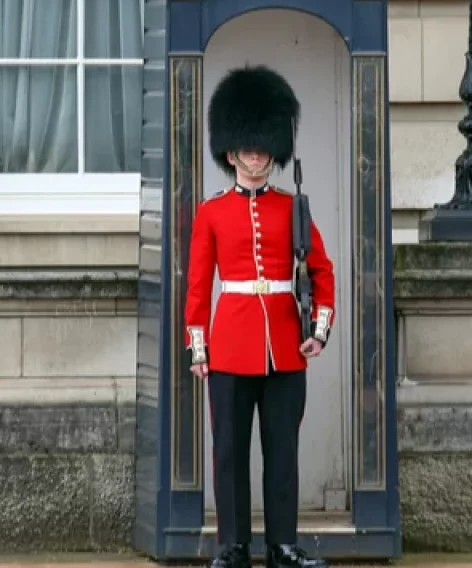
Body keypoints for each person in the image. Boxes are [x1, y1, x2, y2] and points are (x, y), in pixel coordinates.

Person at [184, 64, 336, 568]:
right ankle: (232, 547)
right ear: (231, 153)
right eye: (248, 148)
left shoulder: (293, 209)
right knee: (229, 454)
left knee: (282, 455)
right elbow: (199, 284)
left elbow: (321, 270)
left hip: (285, 347)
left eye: (263, 147)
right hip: (229, 347)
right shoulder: (211, 212)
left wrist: (318, 332)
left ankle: (283, 545)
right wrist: (198, 346)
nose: (256, 156)